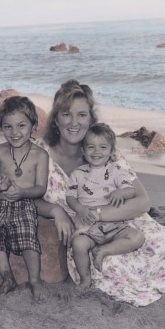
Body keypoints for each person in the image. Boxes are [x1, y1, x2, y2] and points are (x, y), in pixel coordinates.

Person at [34, 79, 165, 306]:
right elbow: (27, 199)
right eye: (66, 114)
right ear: (55, 119)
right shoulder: (40, 154)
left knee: (161, 244)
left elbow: (143, 201)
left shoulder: (105, 151)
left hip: (122, 223)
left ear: (91, 119)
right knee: (111, 267)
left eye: (82, 115)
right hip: (86, 237)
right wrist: (56, 210)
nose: (74, 122)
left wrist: (99, 213)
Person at [0, 96, 49, 301]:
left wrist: (21, 192)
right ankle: (7, 277)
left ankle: (35, 280)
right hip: (0, 202)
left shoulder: (40, 155)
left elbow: (40, 188)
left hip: (25, 202)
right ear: (1, 128)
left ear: (33, 126)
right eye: (8, 127)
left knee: (27, 234)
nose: (15, 132)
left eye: (21, 125)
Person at [65, 122, 145, 288]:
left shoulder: (116, 171)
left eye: (103, 147)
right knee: (78, 244)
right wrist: (79, 208)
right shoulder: (78, 174)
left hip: (114, 224)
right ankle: (85, 277)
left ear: (111, 151)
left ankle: (104, 250)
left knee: (137, 237)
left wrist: (120, 193)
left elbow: (130, 191)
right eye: (91, 147)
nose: (96, 152)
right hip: (89, 225)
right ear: (83, 150)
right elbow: (70, 197)